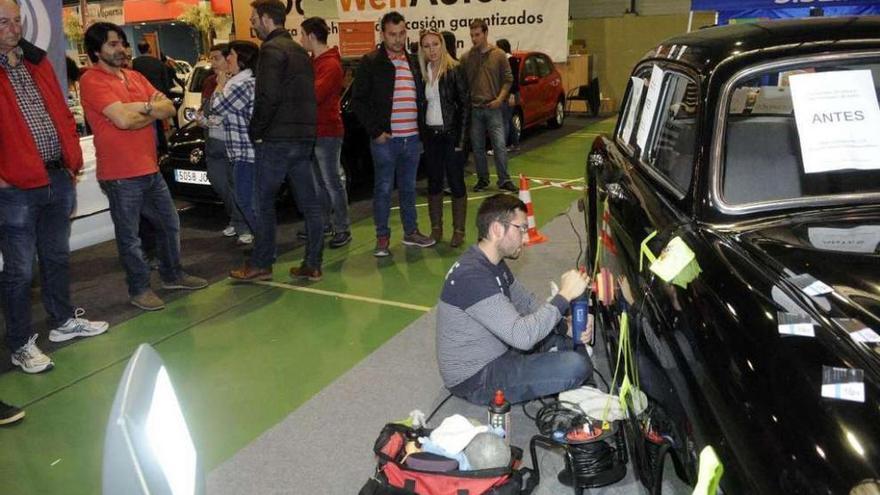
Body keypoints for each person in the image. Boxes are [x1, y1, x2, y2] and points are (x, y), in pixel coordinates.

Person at [0, 0, 109, 374]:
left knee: (57, 257)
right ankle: (19, 344)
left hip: (56, 177)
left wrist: (71, 162)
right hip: (14, 189)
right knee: (19, 271)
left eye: (16, 21)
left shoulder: (36, 62)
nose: (13, 29)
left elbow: (60, 111)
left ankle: (62, 322)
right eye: (3, 22)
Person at [80, 22, 208, 311]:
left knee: (169, 223)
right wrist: (149, 108)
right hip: (120, 175)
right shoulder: (92, 80)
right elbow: (124, 120)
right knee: (131, 237)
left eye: (122, 43)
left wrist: (140, 110)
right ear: (96, 51)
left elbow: (169, 108)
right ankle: (139, 289)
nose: (121, 49)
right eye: (113, 44)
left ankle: (172, 275)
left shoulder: (135, 76)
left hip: (149, 168)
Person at [436, 194, 593, 405]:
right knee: (576, 365)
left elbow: (527, 303)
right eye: (521, 229)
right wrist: (564, 296)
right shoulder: (472, 276)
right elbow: (522, 337)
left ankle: (570, 374)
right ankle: (575, 379)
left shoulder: (492, 262)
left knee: (564, 338)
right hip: (476, 377)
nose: (526, 238)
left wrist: (568, 327)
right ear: (496, 230)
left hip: (500, 351)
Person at [230, 0, 324, 282]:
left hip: (277, 140)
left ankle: (261, 263)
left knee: (263, 202)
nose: (252, 23)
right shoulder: (299, 50)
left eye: (254, 18)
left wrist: (255, 130)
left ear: (266, 18)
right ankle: (313, 264)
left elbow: (267, 97)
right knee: (311, 204)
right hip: (303, 139)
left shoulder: (270, 50)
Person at [352, 11, 435, 257]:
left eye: (401, 34)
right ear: (382, 34)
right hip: (385, 141)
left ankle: (411, 232)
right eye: (392, 35)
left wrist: (421, 133)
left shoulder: (413, 61)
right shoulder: (370, 62)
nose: (398, 39)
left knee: (409, 188)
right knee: (384, 189)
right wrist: (375, 131)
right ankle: (382, 237)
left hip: (412, 140)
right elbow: (359, 101)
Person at [300, 16, 352, 249]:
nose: (300, 39)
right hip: (315, 131)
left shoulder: (329, 65)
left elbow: (313, 96)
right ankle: (324, 223)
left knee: (331, 182)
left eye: (302, 34)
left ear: (311, 36)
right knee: (319, 183)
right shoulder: (316, 62)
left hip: (327, 132)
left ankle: (342, 227)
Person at [417, 29, 470, 248]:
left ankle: (459, 230)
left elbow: (466, 107)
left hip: (451, 136)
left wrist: (462, 141)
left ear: (442, 45)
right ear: (422, 49)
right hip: (431, 136)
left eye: (435, 44)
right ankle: (436, 228)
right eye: (427, 46)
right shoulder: (423, 72)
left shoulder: (455, 69)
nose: (432, 49)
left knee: (457, 182)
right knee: (434, 183)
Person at [199, 43, 252, 244]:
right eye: (210, 58)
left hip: (233, 143)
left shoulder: (238, 84)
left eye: (217, 58)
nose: (213, 63)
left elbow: (221, 110)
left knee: (237, 186)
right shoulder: (210, 82)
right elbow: (208, 111)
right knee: (220, 184)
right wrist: (203, 119)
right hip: (213, 141)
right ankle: (237, 219)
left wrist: (220, 88)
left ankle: (242, 224)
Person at [211, 41, 259, 247]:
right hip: (241, 152)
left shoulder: (242, 85)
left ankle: (265, 245)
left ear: (241, 58)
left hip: (246, 153)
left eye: (229, 55)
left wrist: (221, 84)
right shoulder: (242, 83)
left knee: (247, 202)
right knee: (248, 200)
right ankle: (264, 244)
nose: (226, 59)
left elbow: (218, 107)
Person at [459, 20, 515, 193]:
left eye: (477, 35)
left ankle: (504, 180)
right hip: (475, 109)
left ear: (485, 33)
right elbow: (461, 83)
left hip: (494, 107)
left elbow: (508, 79)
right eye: (471, 35)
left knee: (499, 145)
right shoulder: (466, 58)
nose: (474, 39)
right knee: (477, 148)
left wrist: (500, 99)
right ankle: (482, 179)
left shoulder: (498, 55)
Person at [494, 38, 520, 153]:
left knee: (504, 121)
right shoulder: (503, 60)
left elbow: (513, 79)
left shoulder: (511, 60)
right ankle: (515, 144)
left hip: (510, 94)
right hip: (507, 94)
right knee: (508, 120)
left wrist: (512, 94)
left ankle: (501, 147)